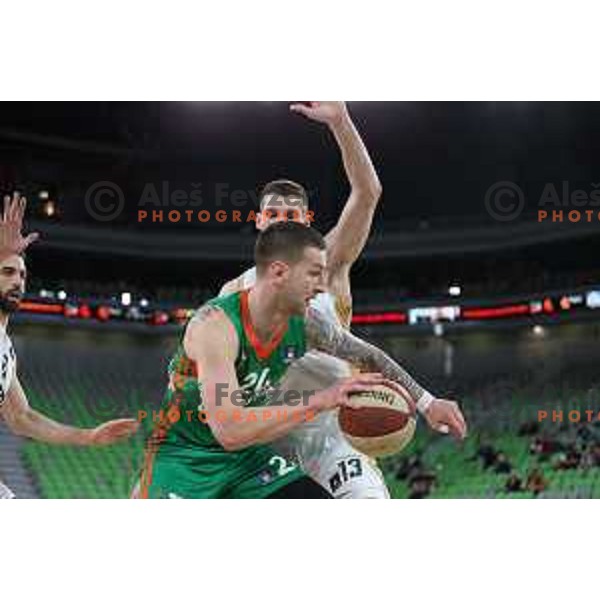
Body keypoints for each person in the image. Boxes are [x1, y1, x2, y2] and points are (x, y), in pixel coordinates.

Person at [220, 101, 465, 498]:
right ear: (260, 222)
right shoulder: (231, 293)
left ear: (306, 222)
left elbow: (367, 193)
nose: (283, 218)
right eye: (274, 212)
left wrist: (340, 121)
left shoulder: (328, 262)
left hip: (334, 429)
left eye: (293, 214)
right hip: (263, 436)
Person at [138, 223, 467, 499]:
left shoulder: (307, 324)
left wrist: (427, 402)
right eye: (314, 274)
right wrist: (324, 398)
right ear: (280, 272)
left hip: (247, 462)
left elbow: (368, 355)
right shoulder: (215, 326)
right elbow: (230, 429)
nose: (323, 286)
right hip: (189, 459)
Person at [0, 193, 139, 499]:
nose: (18, 281)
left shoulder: (6, 350)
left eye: (22, 274)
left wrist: (88, 437)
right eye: (7, 272)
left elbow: (22, 418)